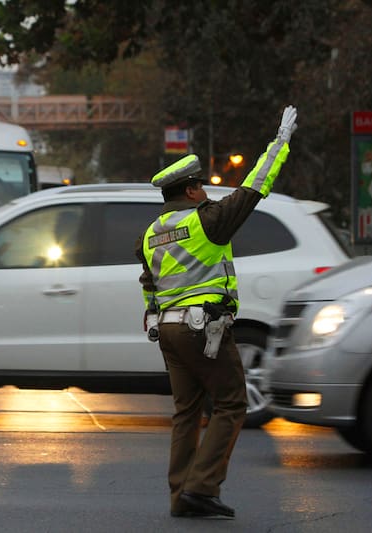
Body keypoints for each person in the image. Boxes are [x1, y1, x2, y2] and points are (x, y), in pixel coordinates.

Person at [135, 105, 298, 519]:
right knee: (231, 404)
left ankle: (180, 497)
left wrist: (153, 318)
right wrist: (279, 143)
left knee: (186, 412)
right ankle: (201, 488)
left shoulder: (151, 235)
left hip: (169, 331)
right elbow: (254, 187)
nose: (208, 192)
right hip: (201, 328)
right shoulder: (208, 221)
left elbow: (148, 286)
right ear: (190, 192)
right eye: (203, 187)